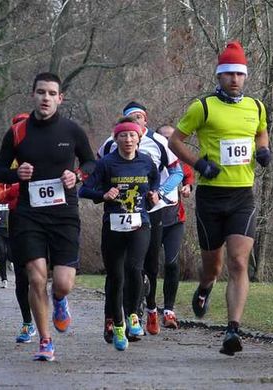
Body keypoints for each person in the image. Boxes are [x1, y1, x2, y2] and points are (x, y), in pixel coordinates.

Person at [168, 41, 270, 355]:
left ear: (246, 76)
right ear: (220, 76)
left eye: (240, 73)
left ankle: (232, 330)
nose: (235, 79)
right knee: (213, 266)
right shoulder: (204, 107)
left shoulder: (256, 106)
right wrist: (198, 164)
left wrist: (263, 149)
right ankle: (205, 286)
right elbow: (175, 140)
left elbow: (261, 131)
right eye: (229, 74)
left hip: (242, 196)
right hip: (211, 198)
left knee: (239, 261)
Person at [0, 73, 96, 361]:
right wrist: (16, 174)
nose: (46, 98)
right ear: (33, 95)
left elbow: (91, 162)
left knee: (62, 282)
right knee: (36, 278)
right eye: (41, 92)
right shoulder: (17, 132)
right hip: (29, 215)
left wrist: (76, 175)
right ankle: (46, 341)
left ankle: (60, 300)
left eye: (52, 93)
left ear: (60, 98)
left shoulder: (72, 130)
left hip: (64, 214)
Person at [97, 101, 183, 338]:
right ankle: (112, 318)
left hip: (150, 213)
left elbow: (177, 171)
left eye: (139, 116)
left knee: (148, 266)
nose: (135, 121)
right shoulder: (110, 143)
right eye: (130, 117)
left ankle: (147, 311)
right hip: (117, 215)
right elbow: (96, 171)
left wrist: (161, 193)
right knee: (117, 269)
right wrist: (103, 192)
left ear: (146, 120)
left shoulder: (159, 142)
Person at [80, 117, 160, 351]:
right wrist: (104, 194)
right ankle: (117, 325)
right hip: (113, 226)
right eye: (123, 135)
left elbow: (154, 183)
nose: (128, 139)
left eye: (132, 135)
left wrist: (154, 195)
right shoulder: (106, 163)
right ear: (115, 139)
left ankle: (134, 315)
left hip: (140, 223)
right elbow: (85, 189)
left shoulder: (146, 162)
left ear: (139, 138)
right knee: (116, 277)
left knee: (135, 268)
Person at [155, 124, 195, 329]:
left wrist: (187, 187)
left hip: (174, 220)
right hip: (150, 221)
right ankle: (147, 307)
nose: (169, 142)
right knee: (147, 267)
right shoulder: (149, 159)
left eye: (172, 138)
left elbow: (188, 177)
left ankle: (169, 310)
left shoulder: (179, 160)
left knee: (171, 263)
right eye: (164, 138)